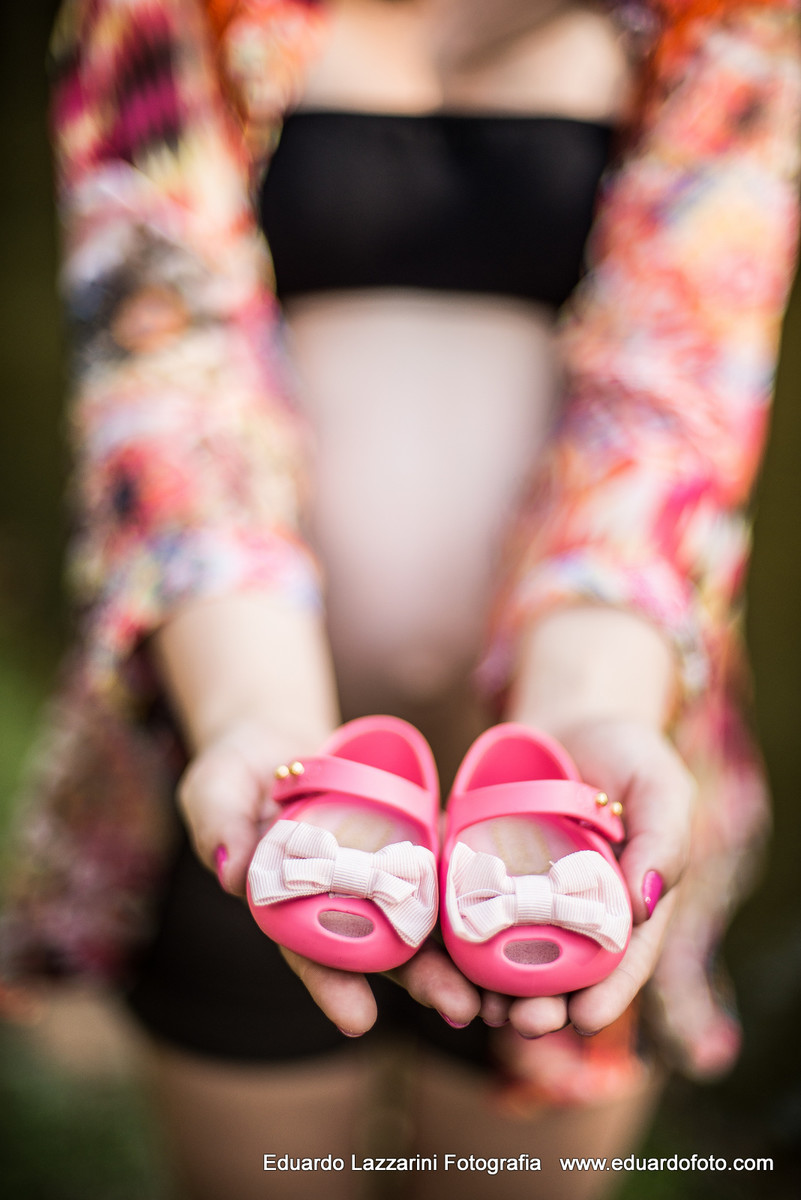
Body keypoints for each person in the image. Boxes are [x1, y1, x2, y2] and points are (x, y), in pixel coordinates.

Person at [2, 1, 800, 1198]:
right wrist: (257, 729)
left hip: (553, 834)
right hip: (270, 791)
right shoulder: (166, 14)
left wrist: (591, 722)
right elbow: (170, 383)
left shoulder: (722, 23)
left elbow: (672, 396)